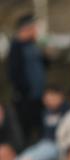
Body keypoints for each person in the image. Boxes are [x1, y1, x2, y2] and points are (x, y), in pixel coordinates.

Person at [7, 14, 47, 144]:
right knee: (25, 130)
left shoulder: (34, 45)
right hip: (25, 98)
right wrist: (24, 90)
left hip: (38, 96)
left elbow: (45, 64)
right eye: (34, 28)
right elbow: (13, 73)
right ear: (26, 29)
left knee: (40, 128)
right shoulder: (16, 47)